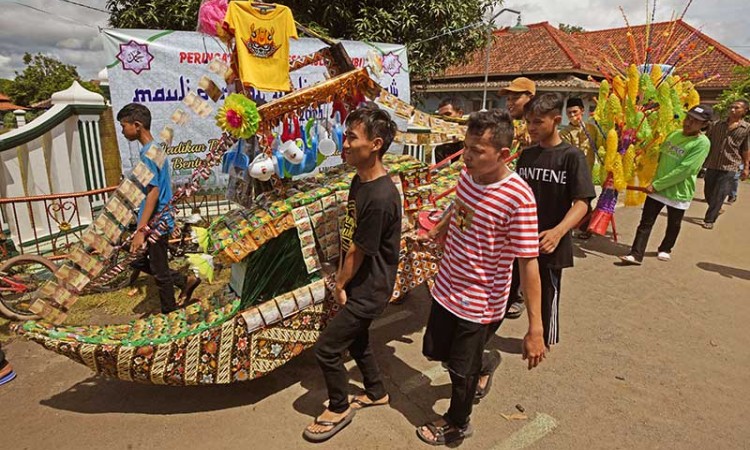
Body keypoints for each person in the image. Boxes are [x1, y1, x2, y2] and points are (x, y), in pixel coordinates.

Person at [416, 109, 546, 446]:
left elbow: (528, 263)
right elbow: (458, 209)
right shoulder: (467, 177)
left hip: (480, 300)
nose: (467, 157)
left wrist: (535, 327)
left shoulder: (518, 198)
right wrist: (436, 232)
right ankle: (485, 362)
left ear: (503, 155)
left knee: (461, 372)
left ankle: (458, 422)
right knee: (436, 352)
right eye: (466, 147)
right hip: (446, 285)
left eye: (476, 151)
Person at [303, 104, 401, 443]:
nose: (344, 144)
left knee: (327, 349)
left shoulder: (381, 196)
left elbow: (360, 251)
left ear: (375, 144)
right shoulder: (360, 181)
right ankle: (375, 392)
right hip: (360, 281)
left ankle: (339, 406)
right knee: (357, 341)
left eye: (351, 138)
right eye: (345, 136)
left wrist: (340, 284)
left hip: (369, 287)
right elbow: (351, 235)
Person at [515, 93, 596, 346]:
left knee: (548, 294)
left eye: (538, 122)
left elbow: (582, 203)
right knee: (509, 288)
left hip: (551, 241)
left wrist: (558, 232)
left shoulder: (571, 157)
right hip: (520, 240)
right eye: (528, 122)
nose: (531, 127)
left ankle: (544, 340)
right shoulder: (526, 156)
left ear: (556, 120)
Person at [117, 103, 201, 314]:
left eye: (123, 125)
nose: (122, 131)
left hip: (155, 222)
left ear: (137, 125)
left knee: (160, 273)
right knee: (137, 260)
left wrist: (141, 229)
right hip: (159, 217)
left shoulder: (148, 154)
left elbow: (153, 192)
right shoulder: (156, 150)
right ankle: (185, 281)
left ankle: (169, 315)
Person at [620, 105, 712, 264]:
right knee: (646, 222)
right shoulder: (674, 134)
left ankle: (665, 248)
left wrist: (658, 184)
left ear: (704, 125)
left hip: (678, 191)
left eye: (695, 121)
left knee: (674, 224)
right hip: (656, 187)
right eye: (688, 118)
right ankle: (635, 254)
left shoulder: (702, 143)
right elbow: (658, 157)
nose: (689, 123)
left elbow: (687, 169)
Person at [499, 77, 536, 319]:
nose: (510, 102)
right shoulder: (508, 124)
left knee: (521, 250)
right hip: (503, 190)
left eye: (516, 97)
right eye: (508, 97)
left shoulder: (533, 129)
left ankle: (519, 295)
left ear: (530, 98)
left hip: (524, 194)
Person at [560, 97, 604, 240]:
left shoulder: (592, 129)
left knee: (585, 201)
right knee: (570, 202)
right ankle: (567, 228)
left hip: (588, 173)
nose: (572, 116)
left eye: (575, 112)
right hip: (570, 173)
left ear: (582, 111)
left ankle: (585, 228)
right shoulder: (565, 132)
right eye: (569, 114)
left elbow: (600, 146)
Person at [702, 99, 750, 229]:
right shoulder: (717, 125)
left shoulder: (746, 129)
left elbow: (745, 149)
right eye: (731, 107)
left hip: (730, 165)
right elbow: (706, 142)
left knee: (720, 193)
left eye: (737, 108)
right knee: (708, 191)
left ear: (745, 111)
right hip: (712, 163)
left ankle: (709, 219)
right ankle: (716, 207)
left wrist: (746, 167)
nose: (732, 109)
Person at [434, 97, 466, 164]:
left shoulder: (472, 140)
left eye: (447, 114)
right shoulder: (441, 146)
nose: (444, 119)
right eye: (441, 116)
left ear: (460, 113)